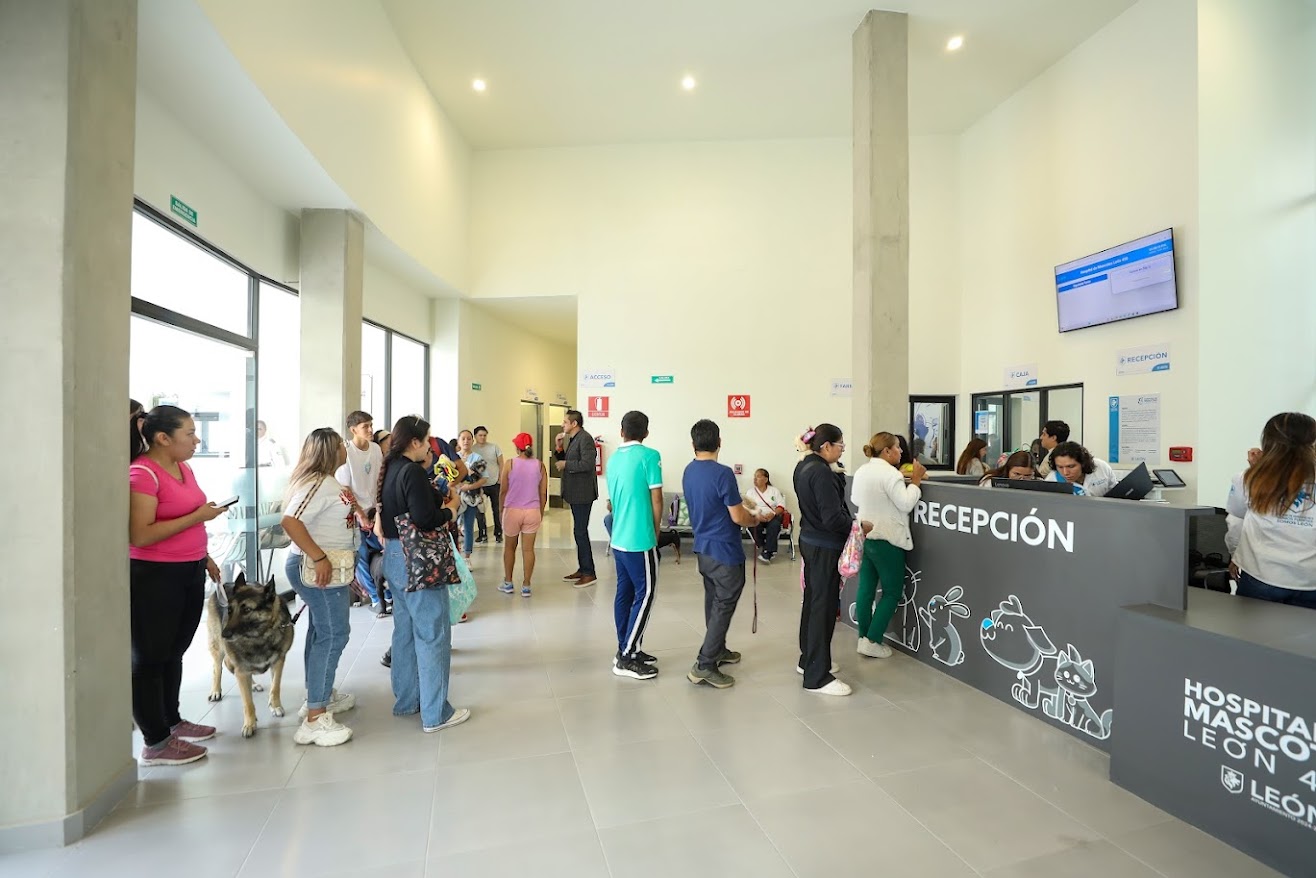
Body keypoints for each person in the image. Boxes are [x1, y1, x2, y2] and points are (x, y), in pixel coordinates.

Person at [128, 405, 228, 765]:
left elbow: (190, 520)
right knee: (150, 657)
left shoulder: (183, 467)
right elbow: (140, 535)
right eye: (189, 433)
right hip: (155, 576)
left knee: (174, 651)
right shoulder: (142, 474)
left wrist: (205, 556)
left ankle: (172, 721)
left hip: (190, 568)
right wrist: (198, 516)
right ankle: (154, 742)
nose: (196, 440)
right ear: (163, 438)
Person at [377, 415, 471, 733]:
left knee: (404, 633)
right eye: (427, 440)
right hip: (417, 560)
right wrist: (451, 510)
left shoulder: (389, 467)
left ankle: (408, 701)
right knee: (433, 635)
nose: (430, 445)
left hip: (394, 556)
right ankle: (436, 713)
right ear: (414, 442)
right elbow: (425, 518)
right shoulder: (412, 471)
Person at [281, 428, 359, 747]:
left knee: (320, 631)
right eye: (341, 444)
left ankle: (319, 695)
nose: (345, 448)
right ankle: (315, 718)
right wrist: (319, 557)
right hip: (318, 569)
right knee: (333, 634)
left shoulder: (327, 483)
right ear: (330, 450)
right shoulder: (316, 484)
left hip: (329, 566)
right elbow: (290, 521)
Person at [682, 420, 759, 688]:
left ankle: (718, 649)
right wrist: (755, 519)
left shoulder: (689, 471)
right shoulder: (723, 473)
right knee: (723, 604)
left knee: (713, 600)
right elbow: (738, 516)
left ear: (693, 444)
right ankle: (704, 664)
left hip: (703, 548)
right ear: (719, 442)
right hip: (724, 550)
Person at [1226, 413, 1316, 608]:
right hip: (1310, 579)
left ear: (1268, 441)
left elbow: (1236, 521)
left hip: (1261, 574)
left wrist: (1236, 555)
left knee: (1252, 628)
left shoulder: (1246, 478)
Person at [794, 424, 854, 696]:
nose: (843, 449)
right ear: (826, 446)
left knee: (813, 602)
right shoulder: (821, 473)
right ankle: (817, 677)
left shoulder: (804, 466)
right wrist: (856, 526)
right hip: (824, 546)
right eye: (840, 445)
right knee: (824, 608)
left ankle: (808, 659)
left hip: (810, 540)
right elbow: (832, 517)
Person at [852, 432, 925, 658]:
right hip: (888, 538)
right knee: (892, 592)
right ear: (886, 451)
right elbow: (906, 503)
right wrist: (915, 482)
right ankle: (873, 640)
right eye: (897, 447)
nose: (901, 451)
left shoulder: (862, 470)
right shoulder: (891, 474)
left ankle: (863, 637)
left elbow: (855, 499)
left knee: (865, 589)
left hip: (866, 535)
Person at [606, 411, 664, 680]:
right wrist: (656, 532)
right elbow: (656, 500)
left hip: (618, 537)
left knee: (625, 593)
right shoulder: (650, 456)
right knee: (646, 594)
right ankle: (627, 656)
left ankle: (627, 646)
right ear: (646, 433)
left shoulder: (614, 459)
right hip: (640, 539)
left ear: (622, 431)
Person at [337, 411, 388, 615]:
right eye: (365, 426)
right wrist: (360, 514)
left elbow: (380, 479)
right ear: (353, 430)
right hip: (355, 514)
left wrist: (379, 510)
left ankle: (388, 593)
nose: (370, 429)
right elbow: (345, 489)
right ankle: (375, 597)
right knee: (362, 556)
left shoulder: (375, 449)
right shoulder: (346, 452)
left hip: (375, 511)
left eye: (370, 425)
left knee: (386, 549)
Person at [497, 432, 548, 597]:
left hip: (512, 511)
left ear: (517, 447)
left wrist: (501, 509)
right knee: (528, 550)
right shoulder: (540, 465)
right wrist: (540, 512)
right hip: (532, 511)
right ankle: (526, 585)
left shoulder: (510, 464)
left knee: (509, 548)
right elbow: (543, 493)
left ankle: (508, 582)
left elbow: (503, 490)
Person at [557, 410, 599, 587]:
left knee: (581, 532)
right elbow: (565, 461)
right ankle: (583, 569)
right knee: (578, 532)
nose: (562, 425)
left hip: (583, 493)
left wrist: (566, 464)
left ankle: (589, 573)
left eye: (565, 422)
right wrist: (559, 448)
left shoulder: (585, 438)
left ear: (574, 424)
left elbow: (587, 464)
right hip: (575, 492)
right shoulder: (573, 439)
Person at [454, 429, 489, 561]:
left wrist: (470, 486)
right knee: (453, 527)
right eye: (463, 438)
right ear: (458, 441)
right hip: (455, 497)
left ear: (472, 441)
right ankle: (454, 556)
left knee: (468, 526)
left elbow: (484, 478)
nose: (466, 441)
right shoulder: (453, 457)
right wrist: (457, 485)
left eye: (469, 438)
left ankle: (467, 557)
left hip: (471, 497)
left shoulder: (478, 458)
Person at [471, 426, 505, 544]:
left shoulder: (494, 447)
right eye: (480, 435)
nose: (483, 437)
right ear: (475, 437)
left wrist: (500, 478)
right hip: (479, 484)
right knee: (480, 511)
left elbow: (501, 463)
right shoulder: (472, 449)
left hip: (494, 483)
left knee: (496, 509)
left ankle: (498, 533)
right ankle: (482, 534)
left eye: (485, 435)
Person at [747, 468, 787, 563]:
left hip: (772, 515)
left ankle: (767, 552)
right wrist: (757, 515)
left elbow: (781, 506)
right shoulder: (750, 492)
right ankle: (765, 547)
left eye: (758, 477)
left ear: (765, 479)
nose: (755, 479)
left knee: (774, 525)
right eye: (754, 477)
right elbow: (747, 508)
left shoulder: (774, 491)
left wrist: (773, 514)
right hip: (757, 516)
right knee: (753, 525)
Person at [1048, 441, 1116, 497]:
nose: (1065, 473)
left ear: (1083, 463)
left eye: (1071, 466)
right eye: (1060, 467)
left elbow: (1116, 493)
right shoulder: (1051, 481)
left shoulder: (1102, 467)